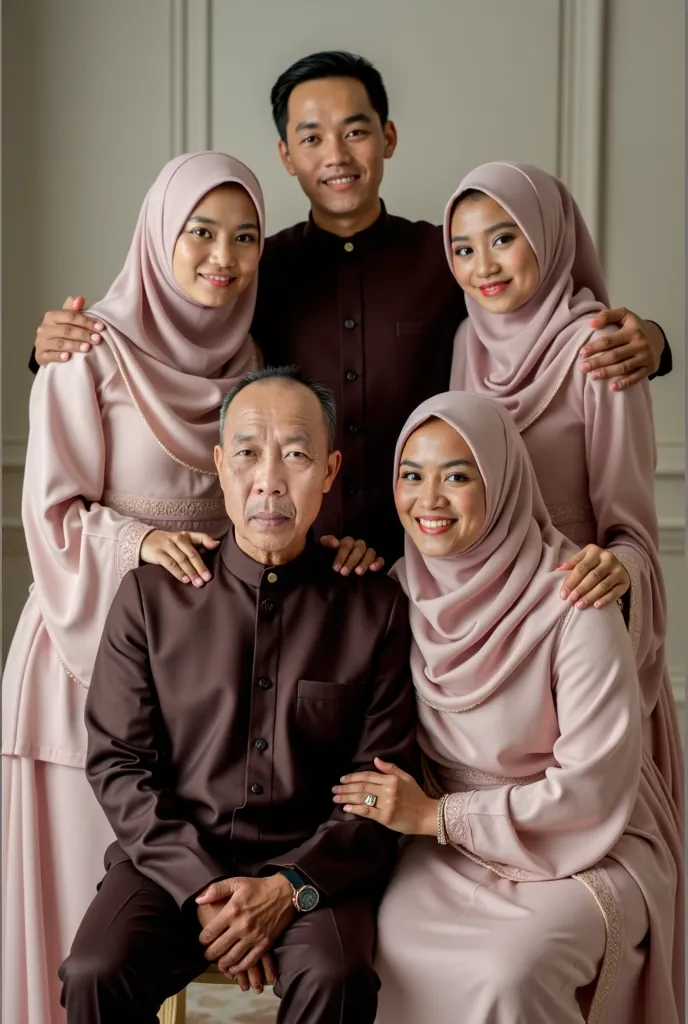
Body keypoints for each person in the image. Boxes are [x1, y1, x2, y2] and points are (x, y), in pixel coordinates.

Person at [30, 51, 672, 563]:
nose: (335, 155)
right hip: (300, 561)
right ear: (286, 155)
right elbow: (169, 337)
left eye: (356, 131)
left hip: (434, 554)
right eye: (311, 137)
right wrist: (51, 351)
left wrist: (653, 339)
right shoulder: (253, 271)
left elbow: (537, 321)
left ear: (387, 138)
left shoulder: (447, 260)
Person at [1, 151, 368, 1024]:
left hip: (202, 664)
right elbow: (49, 516)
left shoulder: (252, 358)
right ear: (158, 235)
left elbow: (274, 491)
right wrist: (139, 543)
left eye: (245, 238)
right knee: (83, 933)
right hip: (81, 643)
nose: (224, 257)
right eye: (200, 233)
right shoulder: (86, 350)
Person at [58, 365, 418, 1024]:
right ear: (220, 465)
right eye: (249, 453)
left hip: (315, 872)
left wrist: (289, 887)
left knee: (338, 978)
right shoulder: (149, 598)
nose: (270, 479)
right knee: (94, 971)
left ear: (331, 471)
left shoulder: (376, 608)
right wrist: (204, 886)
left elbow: (380, 778)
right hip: (169, 862)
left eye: (298, 455)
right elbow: (118, 764)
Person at [334, 392, 683, 1023]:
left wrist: (438, 816)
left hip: (584, 840)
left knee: (508, 972)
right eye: (411, 475)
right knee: (388, 948)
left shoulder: (574, 599)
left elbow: (594, 788)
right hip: (445, 849)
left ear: (502, 483)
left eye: (457, 476)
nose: (429, 500)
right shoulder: (393, 596)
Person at [444, 162, 683, 805]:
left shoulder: (598, 349)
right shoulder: (466, 339)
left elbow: (629, 526)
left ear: (549, 237)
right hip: (484, 633)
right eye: (462, 249)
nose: (483, 266)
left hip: (571, 617)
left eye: (503, 237)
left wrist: (618, 572)